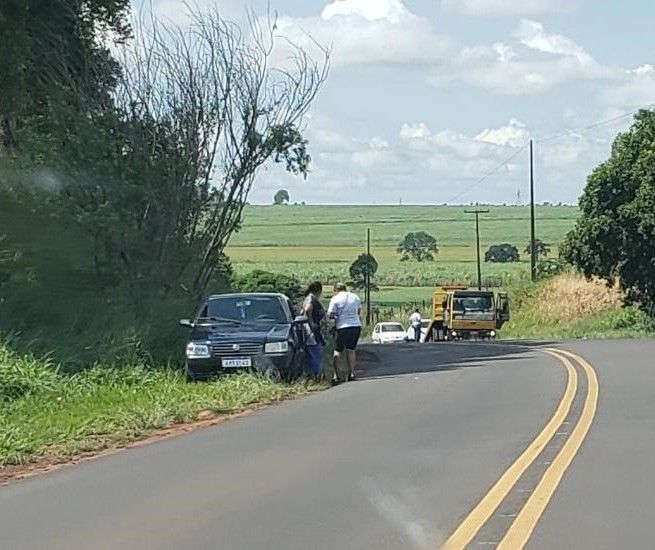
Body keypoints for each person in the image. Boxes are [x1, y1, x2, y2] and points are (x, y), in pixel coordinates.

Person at [327, 282, 362, 384]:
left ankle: (337, 375)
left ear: (335, 290)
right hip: (356, 326)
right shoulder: (355, 297)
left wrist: (336, 317)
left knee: (338, 351)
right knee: (351, 350)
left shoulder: (335, 299)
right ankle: (351, 373)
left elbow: (330, 315)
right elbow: (359, 312)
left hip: (342, 327)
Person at [302, 281, 327, 379]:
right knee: (316, 352)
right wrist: (311, 322)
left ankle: (314, 375)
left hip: (312, 331)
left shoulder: (309, 298)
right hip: (312, 332)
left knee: (314, 353)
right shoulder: (311, 299)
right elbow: (308, 309)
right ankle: (317, 375)